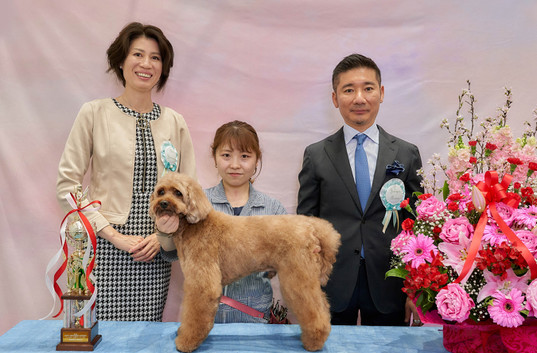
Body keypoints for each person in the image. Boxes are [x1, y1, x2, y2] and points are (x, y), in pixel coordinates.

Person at [56, 22, 196, 321]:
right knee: (99, 339)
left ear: (163, 68)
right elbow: (68, 187)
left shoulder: (175, 122)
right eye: (138, 54)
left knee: (146, 344)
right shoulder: (94, 113)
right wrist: (113, 235)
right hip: (103, 249)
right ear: (121, 61)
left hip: (155, 254)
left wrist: (161, 238)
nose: (146, 64)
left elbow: (191, 194)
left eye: (156, 57)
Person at [297, 54, 423, 326]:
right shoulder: (316, 155)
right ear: (335, 98)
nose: (359, 98)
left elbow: (418, 228)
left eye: (368, 88)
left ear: (381, 93)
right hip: (330, 284)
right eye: (348, 90)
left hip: (391, 283)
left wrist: (416, 287)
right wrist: (307, 285)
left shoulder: (406, 153)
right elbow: (304, 227)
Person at [156, 120, 287, 323]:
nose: (235, 165)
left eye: (244, 156)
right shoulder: (192, 203)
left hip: (256, 320)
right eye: (226, 155)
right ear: (215, 158)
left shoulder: (273, 210)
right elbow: (171, 252)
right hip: (204, 320)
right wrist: (165, 232)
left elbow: (281, 264)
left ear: (256, 160)